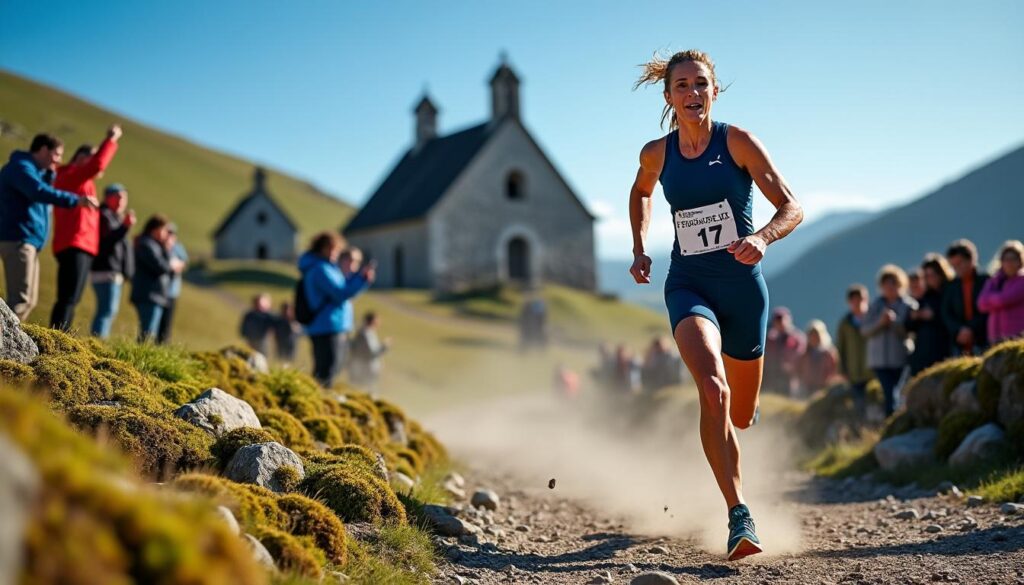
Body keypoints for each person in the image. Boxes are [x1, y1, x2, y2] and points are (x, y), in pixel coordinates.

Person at [628, 49, 802, 560]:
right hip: (689, 283)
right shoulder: (656, 154)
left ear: (714, 91)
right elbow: (640, 193)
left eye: (700, 84)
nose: (692, 93)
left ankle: (735, 434)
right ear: (668, 97)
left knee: (742, 415)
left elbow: (791, 205)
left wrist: (764, 239)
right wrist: (640, 248)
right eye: (682, 85)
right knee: (713, 389)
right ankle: (738, 514)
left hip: (743, 288)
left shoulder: (738, 142)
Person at [0, 133, 97, 322]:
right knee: (20, 299)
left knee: (29, 301)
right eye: (57, 154)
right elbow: (38, 192)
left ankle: (11, 345)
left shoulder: (37, 172)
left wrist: (51, 173)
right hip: (18, 238)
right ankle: (6, 346)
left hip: (28, 240)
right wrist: (75, 200)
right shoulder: (21, 168)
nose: (59, 160)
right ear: (44, 149)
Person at [50, 124, 122, 331]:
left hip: (79, 244)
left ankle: (60, 336)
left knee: (71, 297)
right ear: (80, 158)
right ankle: (58, 337)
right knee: (68, 297)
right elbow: (97, 165)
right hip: (76, 243)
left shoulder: (77, 180)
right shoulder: (72, 175)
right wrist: (111, 140)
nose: (94, 161)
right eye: (90, 156)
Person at [298, 233, 375, 388]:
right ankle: (319, 403)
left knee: (331, 369)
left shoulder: (326, 268)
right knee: (326, 372)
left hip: (332, 326)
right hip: (326, 327)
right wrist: (362, 280)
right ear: (322, 248)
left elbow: (342, 288)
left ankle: (320, 401)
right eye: (332, 248)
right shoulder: (320, 269)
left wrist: (359, 278)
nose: (335, 252)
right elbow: (340, 293)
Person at [862, 265, 917, 417]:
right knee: (889, 391)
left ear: (899, 284)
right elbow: (865, 330)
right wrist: (880, 323)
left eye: (893, 283)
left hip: (900, 357)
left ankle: (896, 418)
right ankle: (891, 419)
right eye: (885, 284)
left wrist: (893, 323)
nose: (889, 288)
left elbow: (910, 331)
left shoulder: (909, 305)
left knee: (899, 390)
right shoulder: (875, 306)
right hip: (878, 360)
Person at [90, 184, 136, 338]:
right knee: (107, 310)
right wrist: (124, 227)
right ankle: (97, 343)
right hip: (105, 270)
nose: (122, 201)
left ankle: (99, 340)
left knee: (109, 311)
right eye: (118, 196)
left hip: (113, 272)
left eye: (124, 197)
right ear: (108, 197)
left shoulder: (116, 217)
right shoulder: (104, 216)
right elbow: (107, 241)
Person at [130, 215, 183, 342]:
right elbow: (161, 266)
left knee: (150, 333)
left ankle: (143, 358)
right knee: (147, 333)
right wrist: (172, 265)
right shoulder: (146, 244)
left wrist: (167, 247)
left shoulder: (154, 245)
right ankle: (139, 359)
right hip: (148, 295)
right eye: (164, 230)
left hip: (155, 295)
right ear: (156, 229)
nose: (166, 234)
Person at [906, 254, 953, 375]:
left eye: (933, 275)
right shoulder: (924, 298)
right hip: (923, 355)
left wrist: (934, 316)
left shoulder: (951, 292)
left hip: (946, 349)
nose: (930, 279)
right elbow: (908, 325)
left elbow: (953, 318)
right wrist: (915, 317)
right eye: (926, 276)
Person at [942, 239, 989, 356]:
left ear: (971, 260)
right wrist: (959, 330)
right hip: (959, 343)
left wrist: (971, 328)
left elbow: (987, 308)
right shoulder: (951, 286)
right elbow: (946, 313)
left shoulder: (985, 281)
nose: (957, 269)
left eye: (959, 264)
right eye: (953, 266)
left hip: (983, 338)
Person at [836, 284, 873, 416]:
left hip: (874, 369)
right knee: (859, 405)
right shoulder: (845, 323)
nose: (857, 303)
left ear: (866, 299)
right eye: (854, 300)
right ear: (849, 302)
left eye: (860, 299)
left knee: (876, 402)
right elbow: (841, 348)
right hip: (855, 372)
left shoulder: (874, 318)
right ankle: (862, 431)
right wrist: (842, 370)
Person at [978, 240, 1024, 343]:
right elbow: (981, 303)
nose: (1009, 263)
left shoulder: (1022, 281)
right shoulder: (994, 281)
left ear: (1020, 261)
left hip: (1017, 336)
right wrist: (997, 299)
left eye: (1013, 259)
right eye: (1006, 259)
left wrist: (991, 299)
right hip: (995, 336)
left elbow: (1005, 299)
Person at [763, 307, 806, 396]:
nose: (780, 323)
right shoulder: (770, 338)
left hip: (790, 376)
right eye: (777, 320)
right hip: (772, 375)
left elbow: (801, 355)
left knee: (789, 397)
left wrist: (790, 364)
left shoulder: (797, 338)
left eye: (782, 319)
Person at [157, 224, 187, 344]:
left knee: (167, 323)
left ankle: (164, 345)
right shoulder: (160, 246)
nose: (170, 235)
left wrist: (176, 265)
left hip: (172, 292)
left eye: (172, 233)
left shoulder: (178, 247)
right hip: (159, 291)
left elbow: (184, 262)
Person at [349, 311, 391, 393]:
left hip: (362, 367)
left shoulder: (365, 332)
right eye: (377, 320)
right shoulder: (366, 334)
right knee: (364, 390)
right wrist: (385, 346)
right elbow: (371, 353)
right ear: (372, 321)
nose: (379, 323)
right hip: (365, 369)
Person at [797, 320, 838, 397]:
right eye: (811, 335)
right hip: (807, 387)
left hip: (824, 387)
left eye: (816, 334)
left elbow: (834, 370)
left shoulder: (829, 353)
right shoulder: (805, 353)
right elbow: (799, 369)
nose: (813, 337)